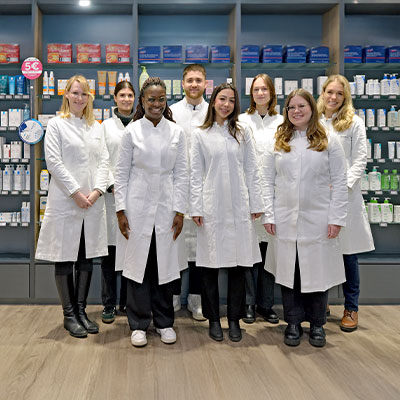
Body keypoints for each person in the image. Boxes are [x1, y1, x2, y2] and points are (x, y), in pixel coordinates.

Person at [262, 89, 348, 347]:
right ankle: (293, 322)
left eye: (301, 106)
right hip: (285, 218)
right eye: (291, 107)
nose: (296, 111)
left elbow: (340, 181)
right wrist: (269, 214)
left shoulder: (329, 139)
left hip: (318, 219)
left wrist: (336, 218)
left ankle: (317, 324)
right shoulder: (278, 140)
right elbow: (266, 180)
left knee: (317, 273)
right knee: (290, 272)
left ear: (312, 108)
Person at [114, 77, 188, 347]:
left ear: (166, 100)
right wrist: (120, 211)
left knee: (163, 267)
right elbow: (121, 174)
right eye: (151, 99)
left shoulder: (176, 132)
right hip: (137, 207)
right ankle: (138, 324)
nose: (156, 104)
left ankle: (165, 322)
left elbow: (182, 174)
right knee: (139, 267)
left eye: (161, 99)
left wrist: (180, 211)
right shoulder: (131, 132)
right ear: (142, 101)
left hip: (167, 207)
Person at [36, 75, 109, 338]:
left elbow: (104, 162)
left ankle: (81, 311)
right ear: (66, 94)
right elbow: (53, 162)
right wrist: (76, 193)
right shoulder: (57, 125)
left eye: (84, 94)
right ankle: (69, 315)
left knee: (86, 258)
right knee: (65, 257)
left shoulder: (96, 127)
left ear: (89, 98)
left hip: (91, 202)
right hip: (67, 202)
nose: (79, 98)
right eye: (75, 93)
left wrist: (97, 191)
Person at [190, 83, 264, 342]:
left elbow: (252, 169)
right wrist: (195, 207)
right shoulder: (200, 134)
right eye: (222, 99)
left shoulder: (243, 132)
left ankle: (234, 319)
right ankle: (213, 319)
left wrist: (256, 204)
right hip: (211, 206)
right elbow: (195, 174)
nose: (226, 105)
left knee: (239, 267)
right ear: (213, 101)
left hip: (238, 205)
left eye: (232, 100)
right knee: (209, 268)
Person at [318, 75, 375, 332]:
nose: (333, 97)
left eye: (339, 93)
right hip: (319, 196)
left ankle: (351, 307)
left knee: (348, 254)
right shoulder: (315, 120)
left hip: (345, 197)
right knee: (322, 251)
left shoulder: (354, 123)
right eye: (330, 92)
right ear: (323, 93)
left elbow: (360, 160)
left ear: (345, 97)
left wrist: (341, 186)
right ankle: (321, 304)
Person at [239, 73, 282, 325]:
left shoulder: (282, 121)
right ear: (251, 94)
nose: (260, 93)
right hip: (247, 194)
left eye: (264, 89)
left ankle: (266, 305)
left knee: (269, 253)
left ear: (271, 92)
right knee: (249, 251)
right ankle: (248, 303)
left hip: (275, 195)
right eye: (256, 89)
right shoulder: (242, 120)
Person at [170, 64, 208, 321]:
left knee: (200, 249)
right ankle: (172, 297)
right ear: (182, 83)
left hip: (205, 188)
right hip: (177, 187)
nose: (194, 84)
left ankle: (196, 300)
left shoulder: (213, 111)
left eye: (198, 80)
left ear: (205, 84)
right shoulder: (172, 111)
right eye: (190, 80)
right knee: (174, 245)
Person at [100, 80, 135, 324]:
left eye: (130, 95)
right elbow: (101, 159)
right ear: (114, 98)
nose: (126, 99)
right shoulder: (105, 127)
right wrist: (112, 184)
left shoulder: (140, 124)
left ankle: (127, 302)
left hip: (135, 197)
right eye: (122, 95)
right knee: (110, 255)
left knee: (130, 253)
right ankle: (108, 303)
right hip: (111, 196)